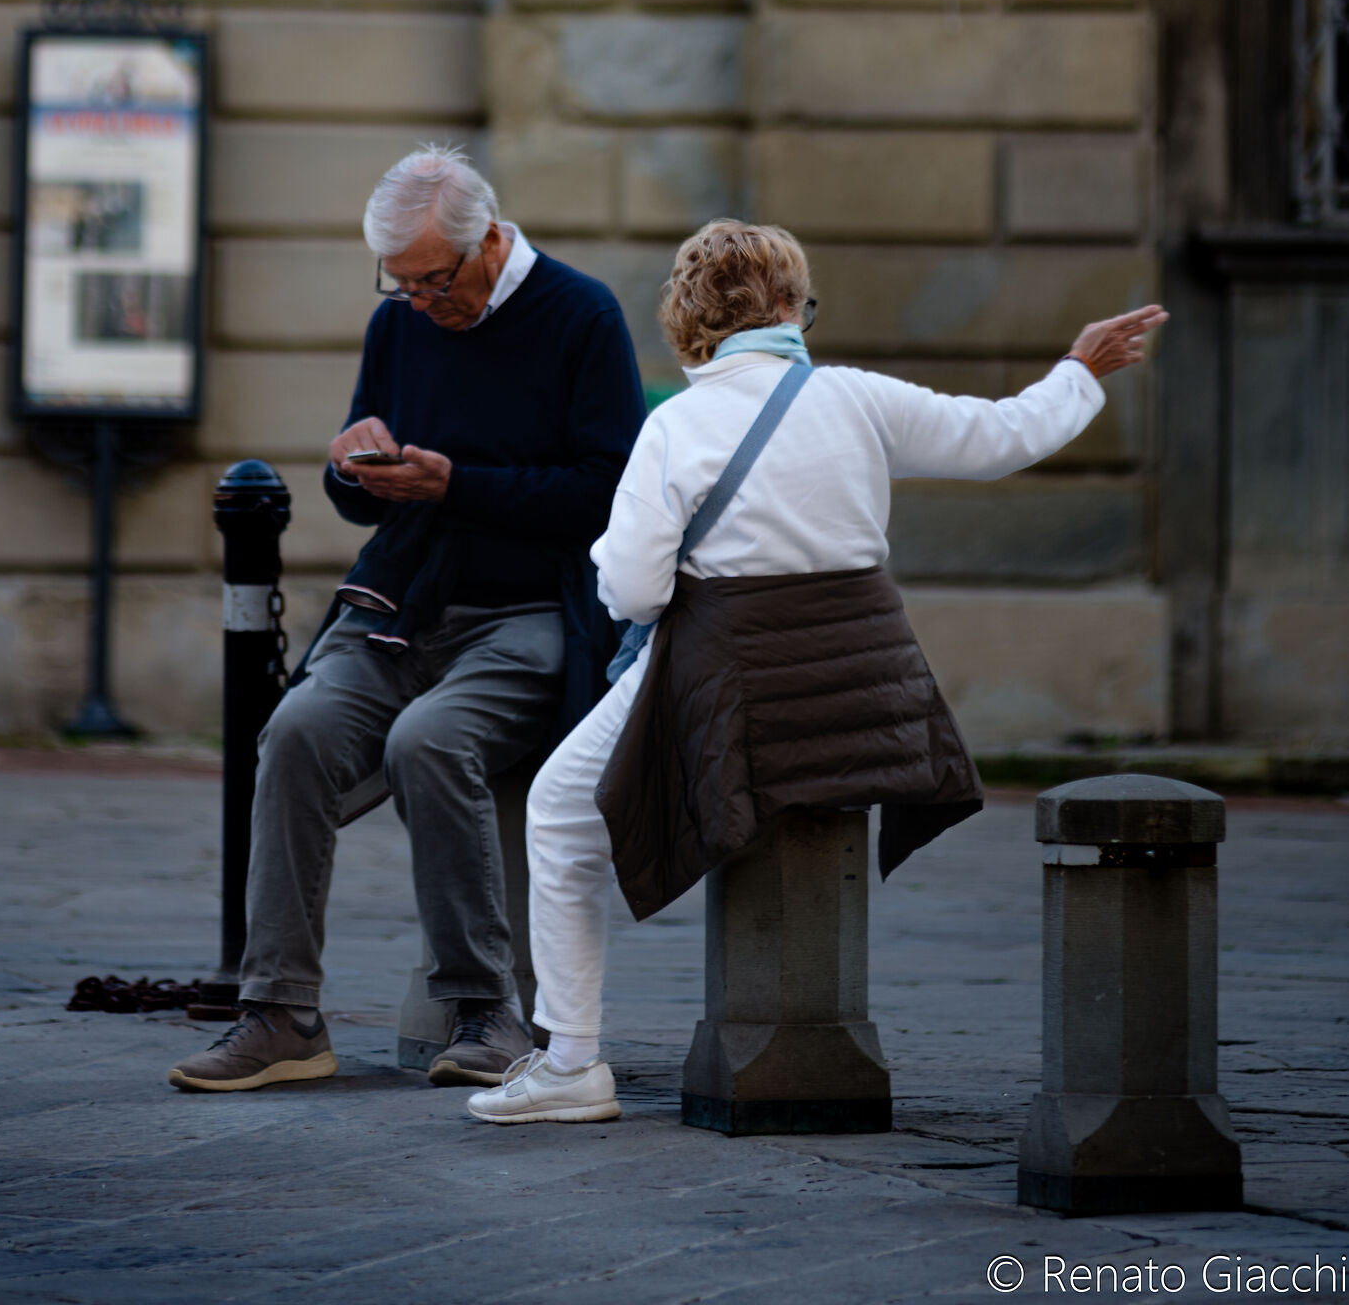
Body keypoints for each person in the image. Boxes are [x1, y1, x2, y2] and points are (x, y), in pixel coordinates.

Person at [466, 217, 1167, 1128]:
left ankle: (570, 1062)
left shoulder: (674, 426)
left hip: (737, 686)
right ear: (793, 308)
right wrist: (1079, 368)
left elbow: (633, 590)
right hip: (866, 695)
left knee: (562, 807)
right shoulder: (857, 399)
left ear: (689, 323)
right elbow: (1001, 438)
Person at [168, 144, 645, 1097]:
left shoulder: (581, 314)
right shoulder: (401, 322)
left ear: (490, 242)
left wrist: (458, 485)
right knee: (297, 729)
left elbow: (609, 493)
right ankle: (281, 1016)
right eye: (402, 287)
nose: (421, 303)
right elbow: (366, 495)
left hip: (530, 610)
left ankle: (486, 1012)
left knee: (432, 740)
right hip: (403, 604)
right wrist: (354, 469)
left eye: (435, 283)